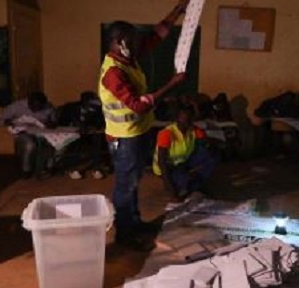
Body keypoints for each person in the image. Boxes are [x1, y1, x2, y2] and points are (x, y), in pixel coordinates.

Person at [99, 0, 188, 251]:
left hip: (135, 133)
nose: (138, 45)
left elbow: (156, 35)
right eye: (132, 41)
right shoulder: (113, 73)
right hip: (123, 138)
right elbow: (138, 105)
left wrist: (179, 10)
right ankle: (125, 234)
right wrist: (172, 84)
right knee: (125, 185)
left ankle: (135, 224)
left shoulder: (128, 59)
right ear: (120, 42)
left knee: (134, 181)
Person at [153, 106, 217, 200]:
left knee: (212, 155)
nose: (187, 123)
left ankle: (197, 182)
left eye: (190, 119)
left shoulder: (193, 129)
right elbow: (162, 163)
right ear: (177, 119)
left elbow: (207, 143)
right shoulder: (166, 133)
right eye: (184, 119)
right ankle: (179, 184)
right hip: (169, 167)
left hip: (183, 162)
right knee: (183, 181)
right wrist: (172, 192)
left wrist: (210, 145)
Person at [0, 92, 56, 178]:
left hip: (41, 132)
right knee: (30, 145)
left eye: (39, 107)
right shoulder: (16, 106)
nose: (36, 110)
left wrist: (49, 123)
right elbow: (0, 120)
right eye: (33, 107)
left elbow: (54, 122)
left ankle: (47, 168)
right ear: (28, 102)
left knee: (54, 143)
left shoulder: (49, 107)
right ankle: (26, 170)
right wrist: (9, 122)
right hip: (23, 132)